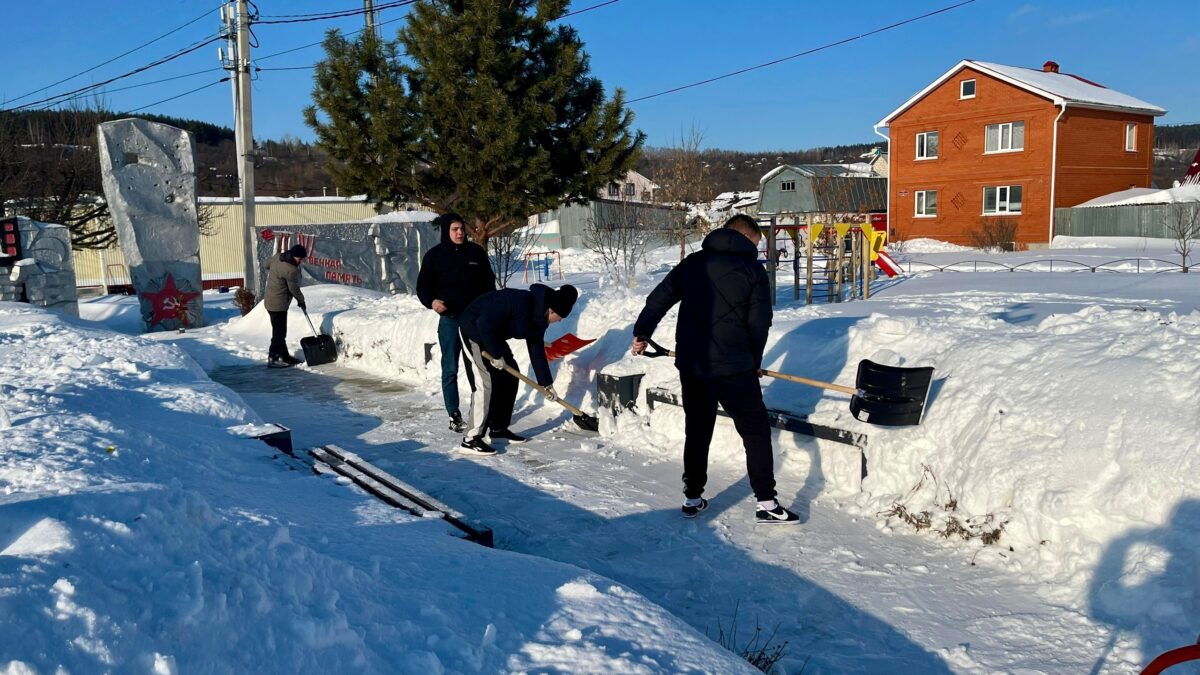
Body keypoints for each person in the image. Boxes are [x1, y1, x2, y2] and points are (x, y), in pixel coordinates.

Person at [631, 214, 799, 525]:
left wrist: (642, 332)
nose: (755, 250)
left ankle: (692, 498)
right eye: (755, 243)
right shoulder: (753, 270)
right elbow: (759, 323)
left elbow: (658, 300)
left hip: (693, 365)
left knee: (697, 429)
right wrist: (754, 362)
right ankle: (766, 502)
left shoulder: (693, 263)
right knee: (755, 431)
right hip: (735, 367)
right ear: (745, 237)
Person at [457, 283, 577, 455]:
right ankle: (471, 439)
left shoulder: (540, 319)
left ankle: (498, 429)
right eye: (560, 317)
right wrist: (497, 355)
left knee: (510, 377)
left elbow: (536, 351)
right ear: (552, 310)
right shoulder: (521, 303)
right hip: (473, 329)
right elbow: (484, 323)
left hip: (493, 334)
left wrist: (546, 384)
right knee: (485, 384)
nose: (560, 321)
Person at [416, 213, 496, 432]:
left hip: (474, 320)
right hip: (450, 319)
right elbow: (423, 287)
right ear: (446, 231)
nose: (460, 233)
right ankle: (454, 414)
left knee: (478, 367)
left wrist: (488, 309)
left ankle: (479, 412)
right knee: (450, 367)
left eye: (461, 229)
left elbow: (489, 283)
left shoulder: (475, 252)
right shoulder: (434, 256)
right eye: (454, 229)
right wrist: (432, 302)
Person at [264, 244, 308, 368]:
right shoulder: (291, 270)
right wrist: (301, 300)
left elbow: (266, 265)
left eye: (302, 259)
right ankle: (273, 358)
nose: (301, 261)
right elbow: (294, 289)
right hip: (278, 304)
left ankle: (285, 356)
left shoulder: (277, 257)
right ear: (293, 256)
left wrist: (275, 276)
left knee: (279, 331)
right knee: (279, 333)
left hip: (269, 300)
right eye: (300, 258)